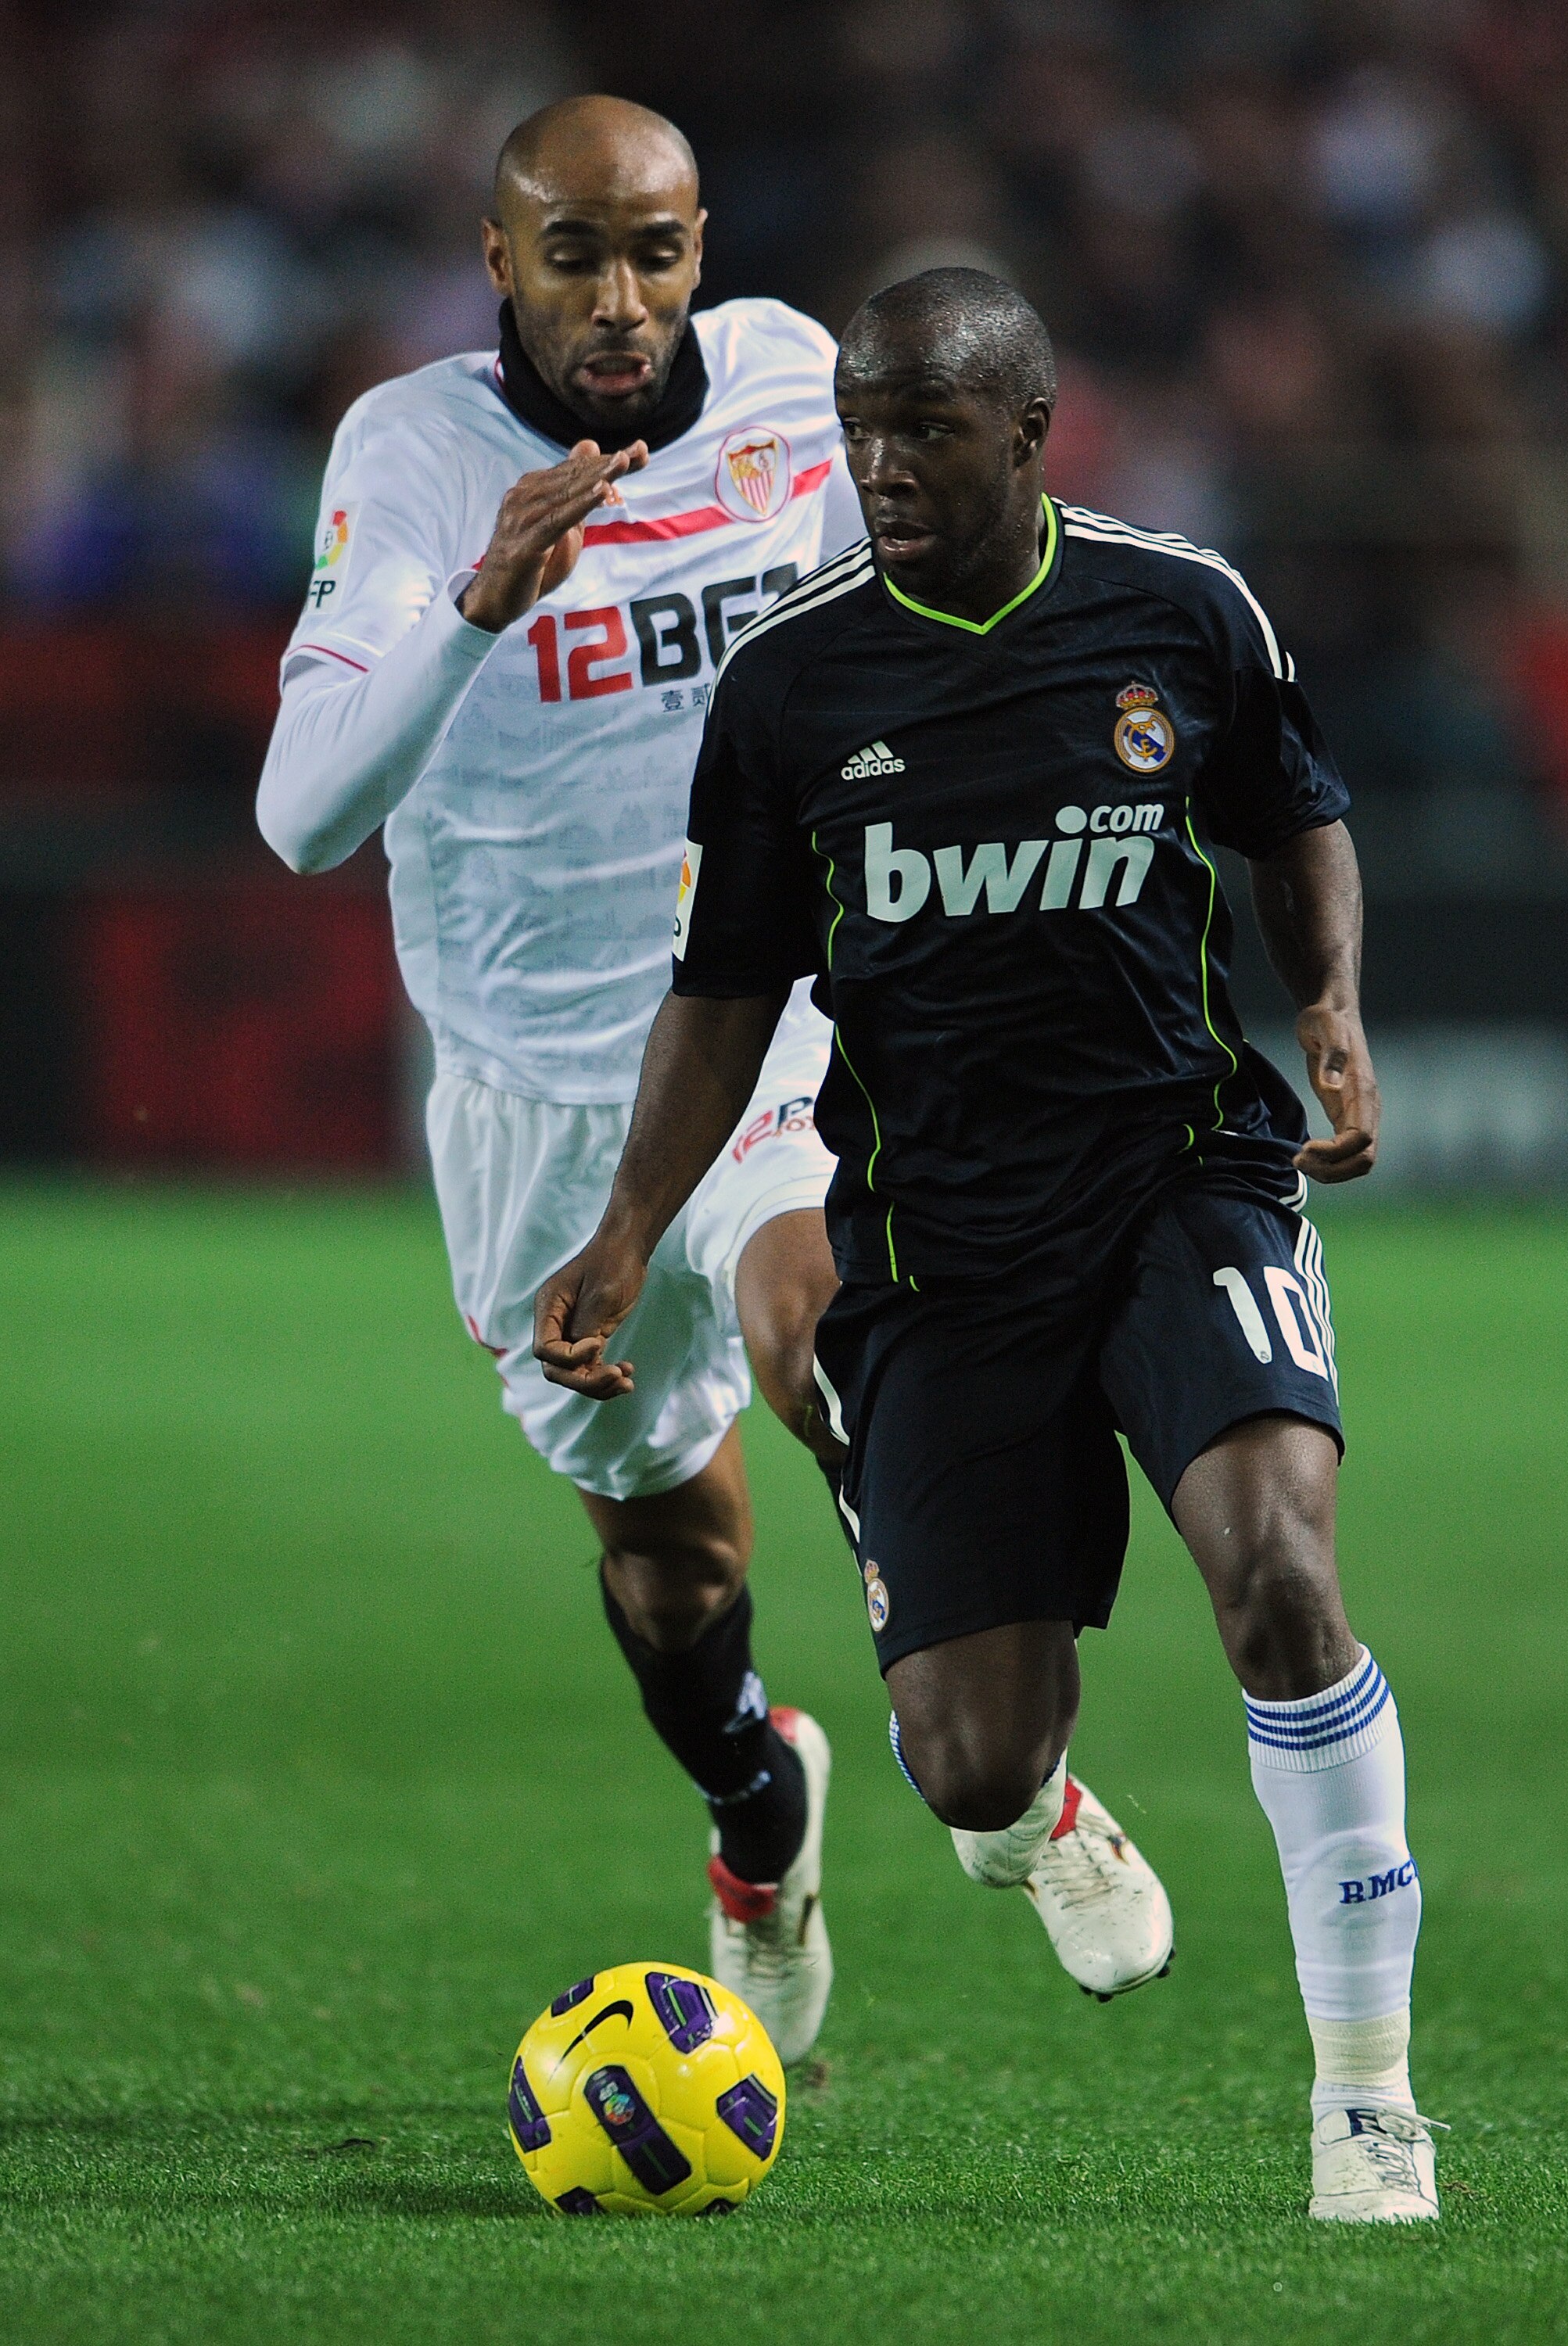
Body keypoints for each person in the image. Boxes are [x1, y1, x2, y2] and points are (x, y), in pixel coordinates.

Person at [533, 267, 1438, 2222]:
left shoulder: (1179, 609)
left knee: (1278, 1577)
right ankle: (1015, 1800)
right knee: (963, 1762)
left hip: (1176, 1177)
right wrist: (624, 1227)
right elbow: (719, 990)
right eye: (857, 429)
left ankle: (1362, 2101)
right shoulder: (789, 686)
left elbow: (1293, 817)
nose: (877, 467)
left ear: (1027, 435)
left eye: (922, 432)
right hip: (936, 1241)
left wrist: (1335, 1009)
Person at [257, 96, 870, 2063]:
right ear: (496, 256)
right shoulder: (412, 455)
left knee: (825, 1340)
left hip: (769, 1014)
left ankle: (1007, 1769)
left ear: (704, 245)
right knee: (672, 1560)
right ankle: (756, 1818)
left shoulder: (796, 388)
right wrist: (471, 612)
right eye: (576, 254)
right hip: (534, 1086)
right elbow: (297, 822)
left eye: (658, 249)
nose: (622, 300)